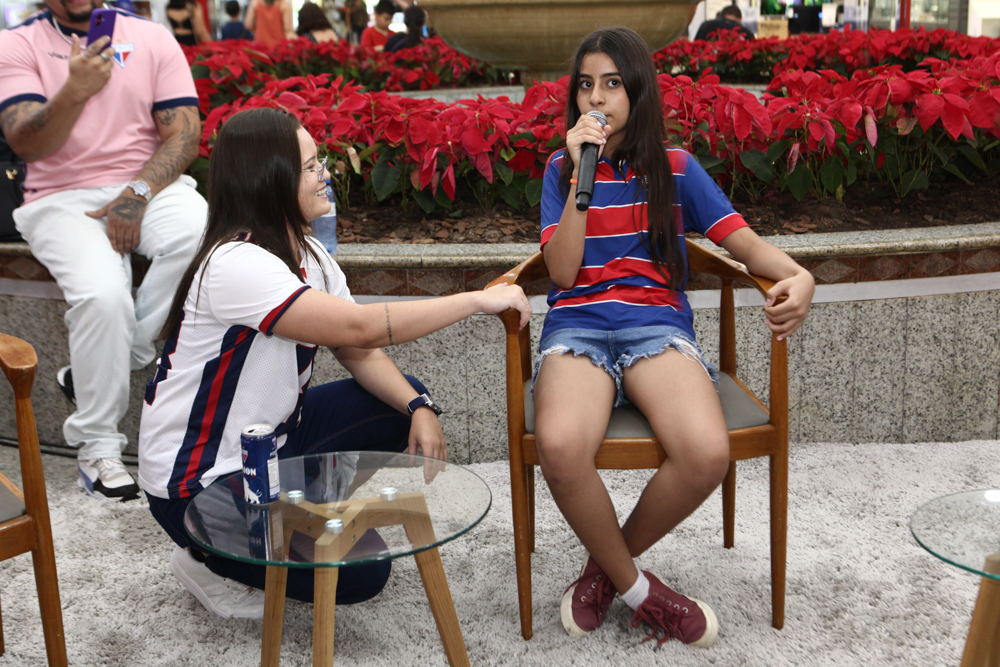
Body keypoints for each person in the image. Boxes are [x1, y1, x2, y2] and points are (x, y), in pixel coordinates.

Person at [138, 107, 531, 618]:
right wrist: (478, 299)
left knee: (396, 402)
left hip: (272, 446)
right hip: (198, 483)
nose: (324, 172)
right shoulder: (236, 263)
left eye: (319, 159)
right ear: (270, 180)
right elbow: (358, 328)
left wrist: (419, 405)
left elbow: (357, 352)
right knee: (362, 574)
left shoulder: (309, 254)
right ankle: (204, 557)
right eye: (308, 166)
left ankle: (293, 518)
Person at [535, 27, 813, 647]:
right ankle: (640, 591)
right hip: (578, 326)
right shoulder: (561, 168)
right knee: (559, 446)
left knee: (706, 452)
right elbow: (560, 272)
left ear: (637, 89)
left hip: (654, 325)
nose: (597, 99)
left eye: (612, 84)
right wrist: (583, 170)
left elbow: (743, 245)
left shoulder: (676, 167)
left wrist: (799, 274)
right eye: (586, 85)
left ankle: (606, 573)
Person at [0, 0, 208, 501]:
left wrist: (136, 194)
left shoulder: (152, 37)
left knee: (196, 230)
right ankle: (96, 448)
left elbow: (185, 133)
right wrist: (74, 89)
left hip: (147, 185)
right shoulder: (17, 44)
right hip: (59, 197)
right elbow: (25, 142)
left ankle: (126, 351)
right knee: (102, 296)